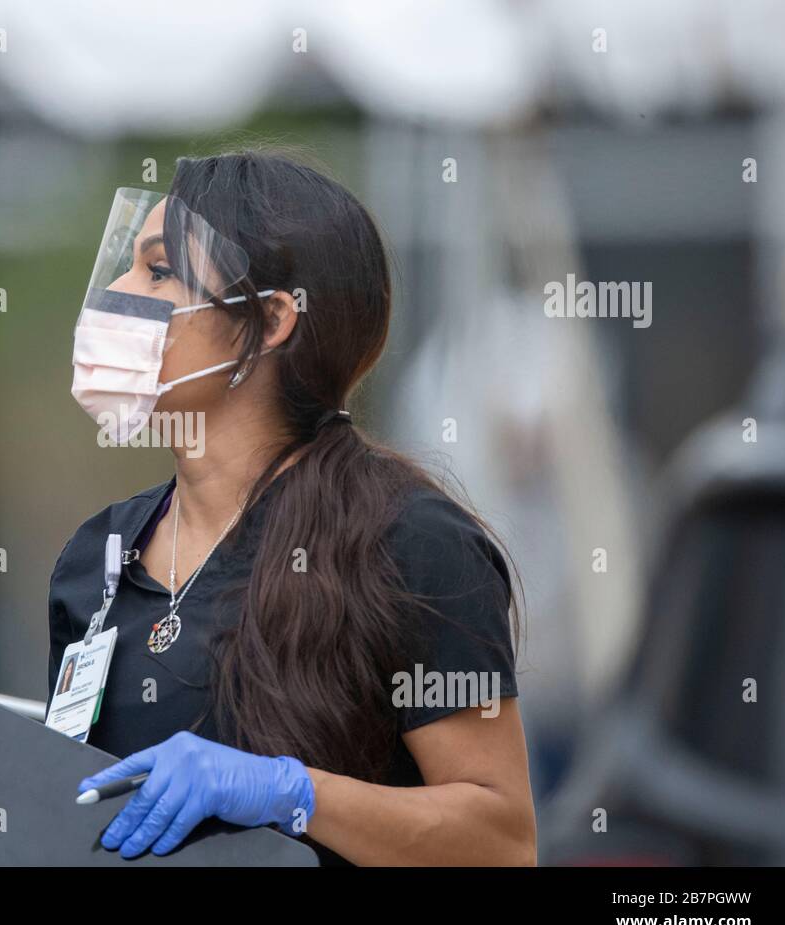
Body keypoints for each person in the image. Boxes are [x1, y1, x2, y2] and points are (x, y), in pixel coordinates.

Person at [50, 149, 535, 866]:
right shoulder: (98, 558)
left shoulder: (409, 544)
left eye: (157, 271)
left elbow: (501, 842)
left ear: (272, 320)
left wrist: (292, 792)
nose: (115, 298)